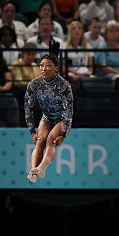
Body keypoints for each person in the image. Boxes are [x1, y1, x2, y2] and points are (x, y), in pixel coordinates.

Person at [24, 40, 73, 182]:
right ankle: (33, 171)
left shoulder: (64, 85)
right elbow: (28, 108)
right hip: (47, 117)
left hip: (63, 118)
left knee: (51, 140)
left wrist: (63, 134)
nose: (44, 69)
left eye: (48, 66)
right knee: (40, 141)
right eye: (41, 66)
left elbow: (69, 111)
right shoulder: (34, 84)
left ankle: (42, 168)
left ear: (56, 68)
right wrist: (32, 132)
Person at [64, 20, 93, 87]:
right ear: (70, 32)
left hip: (84, 73)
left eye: (79, 28)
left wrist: (86, 73)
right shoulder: (64, 46)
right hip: (70, 74)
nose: (76, 30)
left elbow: (91, 68)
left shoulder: (88, 46)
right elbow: (63, 66)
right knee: (72, 78)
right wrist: (76, 74)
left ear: (82, 32)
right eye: (74, 28)